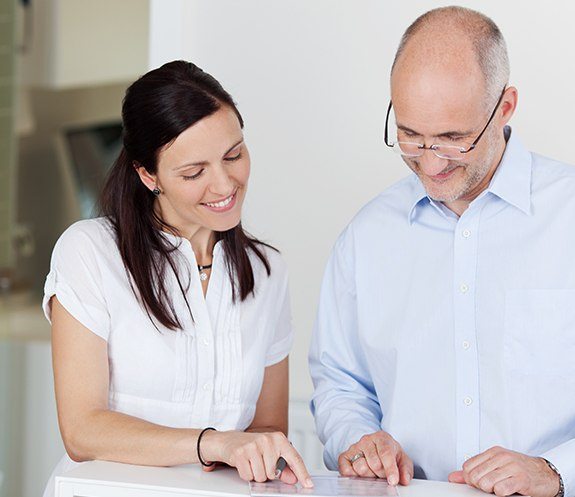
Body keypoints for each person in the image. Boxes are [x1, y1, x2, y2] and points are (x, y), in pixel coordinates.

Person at [309, 7, 575, 497]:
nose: (430, 164)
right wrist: (359, 439)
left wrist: (557, 470)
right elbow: (340, 383)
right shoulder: (366, 237)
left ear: (505, 107)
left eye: (454, 140)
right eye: (410, 136)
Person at [42, 60, 312, 497]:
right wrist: (212, 443)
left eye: (234, 155)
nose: (225, 184)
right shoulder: (90, 252)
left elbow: (265, 430)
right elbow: (82, 430)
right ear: (148, 175)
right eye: (193, 173)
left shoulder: (267, 271)